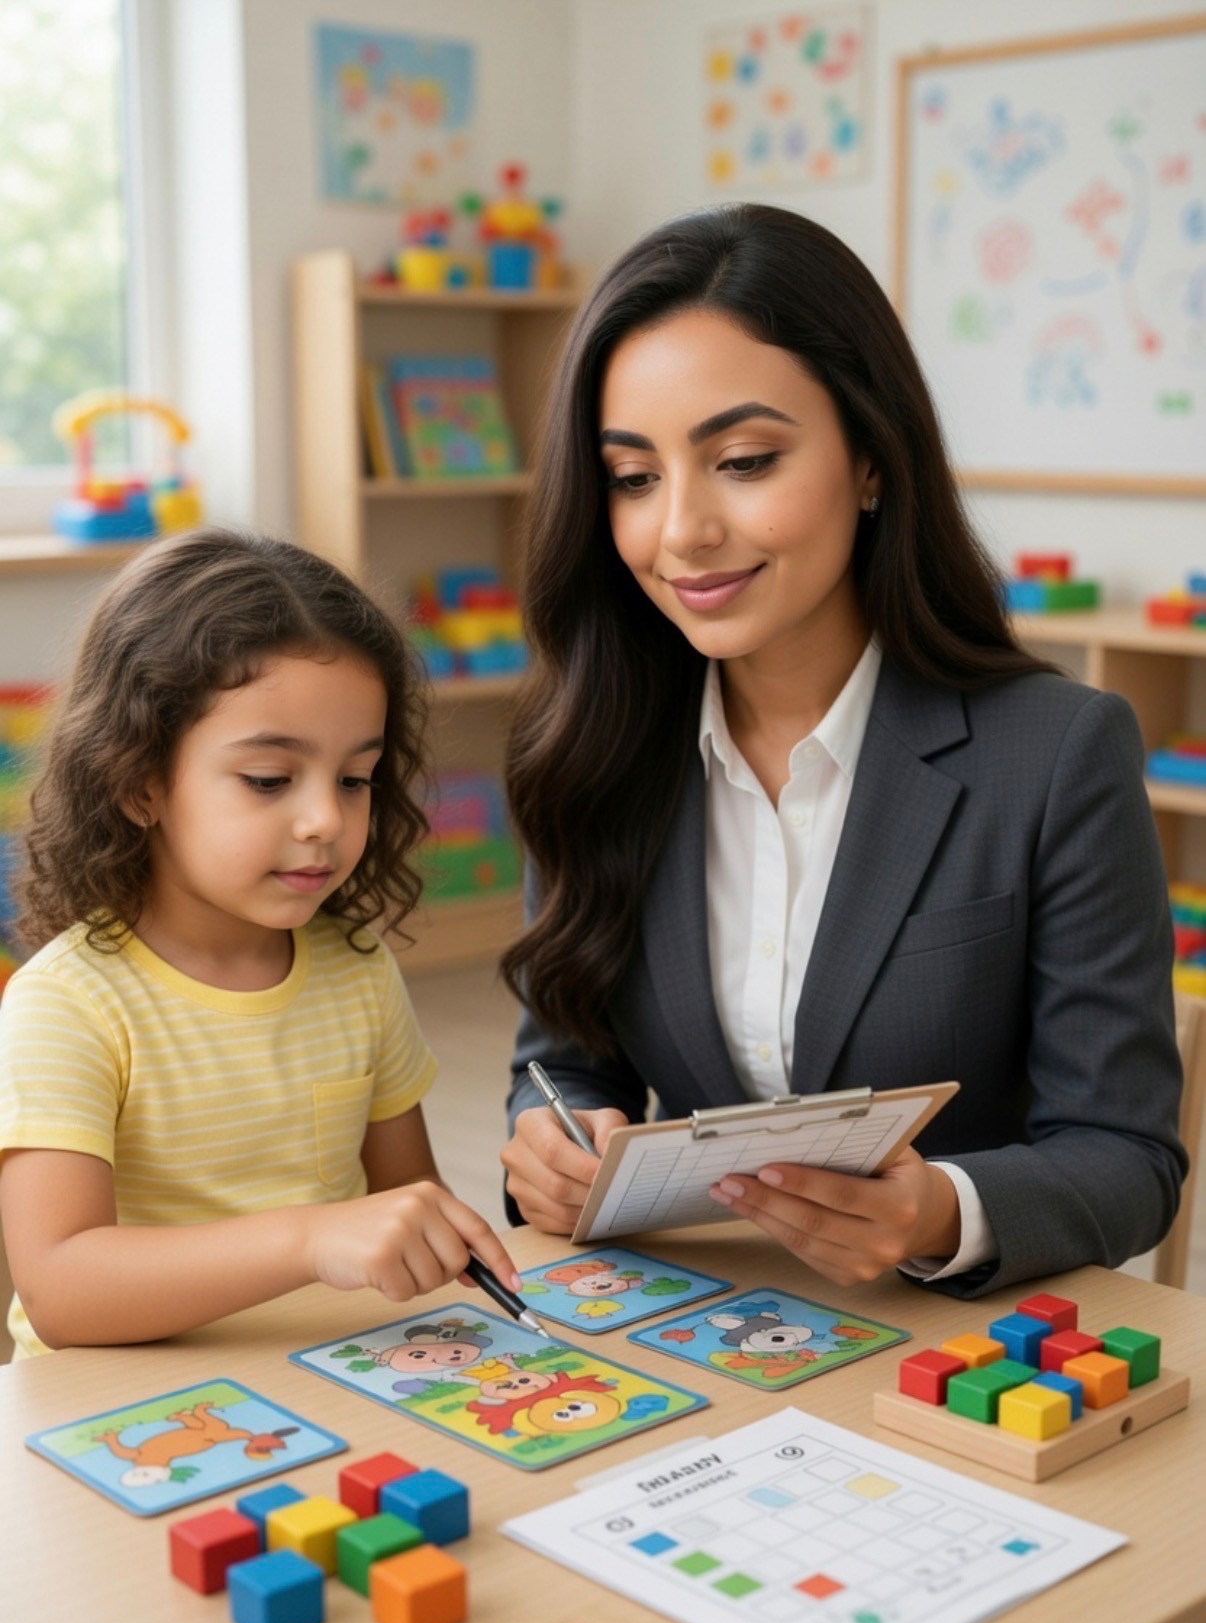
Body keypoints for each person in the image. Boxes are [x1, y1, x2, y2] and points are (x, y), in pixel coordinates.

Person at [499, 202, 1185, 1299]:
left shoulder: (1057, 754)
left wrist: (939, 1213)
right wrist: (552, 1138)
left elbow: (1128, 1159)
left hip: (958, 1347)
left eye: (744, 459)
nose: (681, 531)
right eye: (633, 477)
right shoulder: (593, 749)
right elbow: (566, 1063)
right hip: (714, 1336)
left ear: (871, 458)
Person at [0, 528, 520, 1357]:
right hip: (125, 1416)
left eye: (355, 780)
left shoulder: (357, 971)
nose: (325, 820)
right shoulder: (66, 1004)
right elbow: (62, 1290)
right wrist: (311, 1239)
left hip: (334, 1373)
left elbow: (405, 1199)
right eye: (270, 780)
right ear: (137, 781)